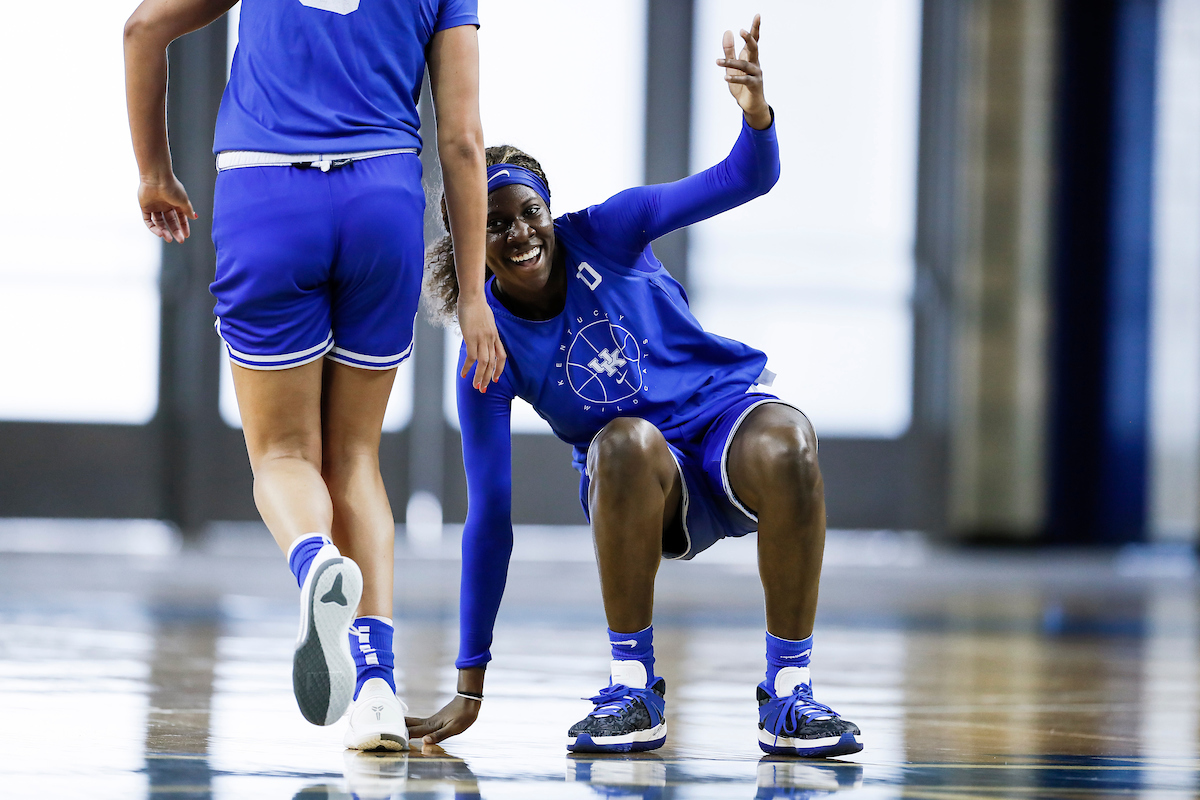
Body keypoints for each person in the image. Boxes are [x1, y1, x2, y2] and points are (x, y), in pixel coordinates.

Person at [410, 15, 863, 757]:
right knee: (618, 442)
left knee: (790, 438)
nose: (521, 232)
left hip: (725, 426)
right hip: (646, 480)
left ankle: (789, 697)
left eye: (531, 213)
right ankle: (632, 691)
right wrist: (470, 681)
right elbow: (489, 517)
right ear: (466, 245)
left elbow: (743, 178)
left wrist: (756, 114)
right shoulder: (485, 353)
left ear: (550, 213)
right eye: (494, 225)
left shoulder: (612, 229)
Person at [124, 0, 505, 751]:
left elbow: (143, 29)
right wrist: (473, 296)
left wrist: (154, 173)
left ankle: (314, 561)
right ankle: (375, 696)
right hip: (382, 200)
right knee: (357, 458)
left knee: (283, 455)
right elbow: (462, 141)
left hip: (268, 195)